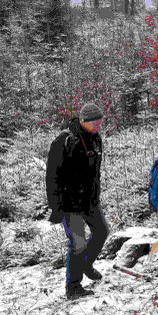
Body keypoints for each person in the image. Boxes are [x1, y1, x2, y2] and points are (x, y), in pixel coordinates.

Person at [46, 103, 110, 300]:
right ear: (84, 121)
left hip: (90, 200)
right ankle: (73, 287)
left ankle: (86, 264)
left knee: (102, 232)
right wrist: (55, 206)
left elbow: (95, 173)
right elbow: (52, 176)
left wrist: (95, 194)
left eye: (100, 122)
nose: (99, 126)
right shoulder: (64, 140)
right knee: (77, 243)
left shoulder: (96, 139)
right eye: (95, 123)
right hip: (69, 202)